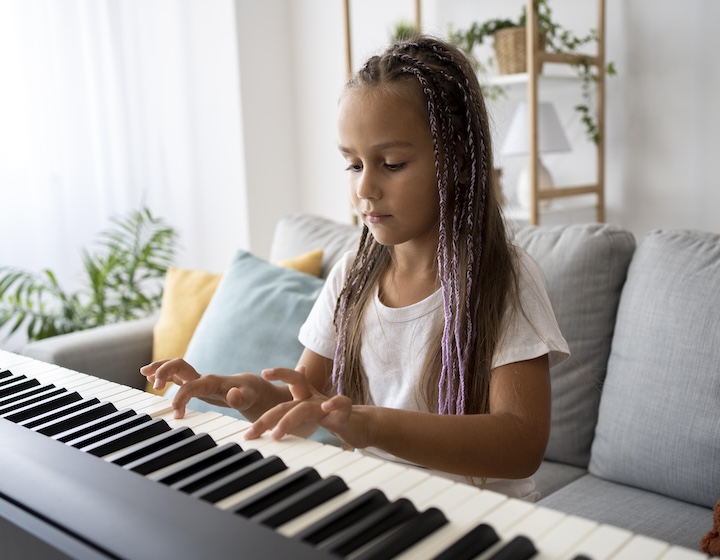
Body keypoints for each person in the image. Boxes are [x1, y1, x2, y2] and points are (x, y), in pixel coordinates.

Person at [141, 35, 569, 501]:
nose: (366, 187)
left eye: (392, 163)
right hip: (376, 505)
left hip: (484, 521)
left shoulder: (503, 277)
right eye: (352, 164)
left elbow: (521, 444)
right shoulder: (352, 278)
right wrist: (240, 392)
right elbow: (308, 404)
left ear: (461, 161)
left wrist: (370, 424)